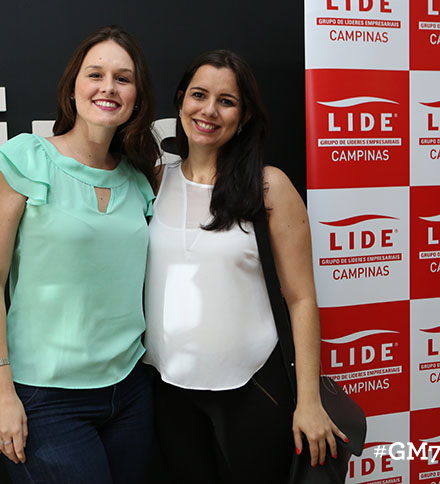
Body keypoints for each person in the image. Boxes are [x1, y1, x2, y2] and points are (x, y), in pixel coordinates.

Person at [143, 50, 347, 483]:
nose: (209, 111)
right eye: (199, 95)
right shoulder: (155, 179)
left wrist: (309, 400)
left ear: (245, 115)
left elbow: (301, 299)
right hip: (169, 391)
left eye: (227, 101)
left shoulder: (269, 186)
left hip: (252, 389)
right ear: (180, 100)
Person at [0, 25, 160, 484]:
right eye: (95, 74)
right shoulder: (24, 159)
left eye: (123, 78)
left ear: (137, 97)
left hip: (130, 392)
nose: (108, 87)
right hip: (46, 398)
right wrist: (0, 392)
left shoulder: (139, 180)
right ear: (73, 88)